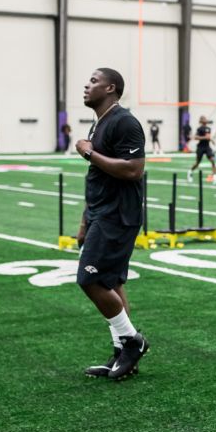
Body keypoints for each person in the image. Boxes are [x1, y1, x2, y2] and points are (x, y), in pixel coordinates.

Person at [75, 68, 150, 382]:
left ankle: (132, 341)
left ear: (110, 88)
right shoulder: (100, 121)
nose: (86, 85)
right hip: (100, 212)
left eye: (93, 81)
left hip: (118, 215)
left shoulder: (124, 121)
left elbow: (133, 169)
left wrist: (90, 152)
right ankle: (122, 353)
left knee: (90, 279)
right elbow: (100, 177)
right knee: (113, 282)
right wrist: (84, 219)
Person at [188, 115, 216, 182]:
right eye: (204, 119)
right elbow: (196, 137)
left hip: (207, 147)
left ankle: (215, 177)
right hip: (200, 147)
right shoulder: (199, 129)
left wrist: (212, 140)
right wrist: (204, 138)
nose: (206, 120)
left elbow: (208, 137)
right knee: (197, 163)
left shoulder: (208, 129)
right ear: (201, 121)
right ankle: (190, 171)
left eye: (205, 119)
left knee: (212, 160)